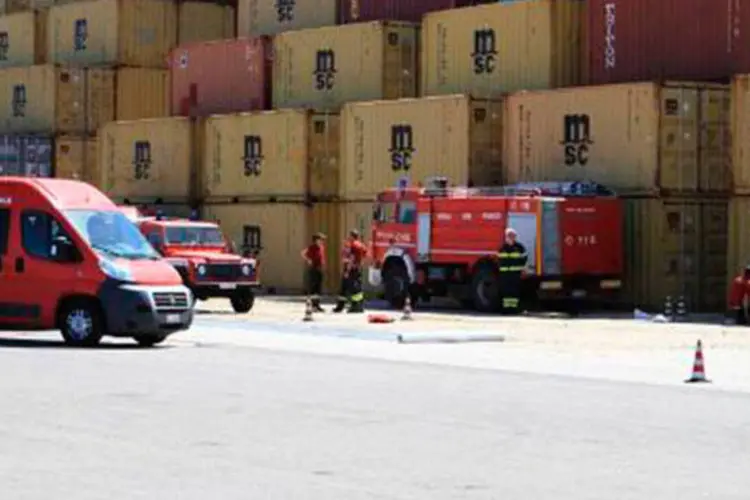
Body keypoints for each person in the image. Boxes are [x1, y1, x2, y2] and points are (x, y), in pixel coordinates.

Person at [333, 229, 368, 314]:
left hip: (351, 269)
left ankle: (355, 306)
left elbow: (351, 258)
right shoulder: (361, 245)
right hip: (356, 269)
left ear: (352, 236)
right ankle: (343, 306)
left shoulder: (353, 245)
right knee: (348, 288)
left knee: (352, 288)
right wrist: (360, 265)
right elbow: (365, 255)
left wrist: (347, 271)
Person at [497, 227, 528, 314]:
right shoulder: (502, 248)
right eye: (509, 236)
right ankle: (506, 309)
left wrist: (523, 270)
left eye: (512, 236)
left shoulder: (520, 247)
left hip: (515, 274)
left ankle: (514, 309)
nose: (511, 237)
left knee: (514, 292)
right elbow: (499, 260)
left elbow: (525, 259)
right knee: (506, 292)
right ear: (506, 237)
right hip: (505, 274)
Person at [301, 233, 327, 313]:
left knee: (318, 288)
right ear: (316, 240)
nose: (322, 241)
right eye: (321, 239)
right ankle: (312, 305)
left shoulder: (321, 247)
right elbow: (303, 253)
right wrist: (308, 260)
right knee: (313, 287)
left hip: (320, 269)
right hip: (314, 269)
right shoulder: (312, 247)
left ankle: (317, 305)